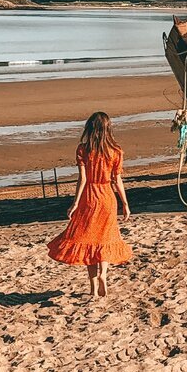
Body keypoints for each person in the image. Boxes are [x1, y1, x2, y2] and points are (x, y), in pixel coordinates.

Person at [47, 110, 132, 297]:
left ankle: (93, 288)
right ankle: (104, 275)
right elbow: (117, 181)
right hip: (108, 198)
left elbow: (82, 179)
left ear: (90, 129)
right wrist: (125, 204)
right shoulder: (116, 151)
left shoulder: (83, 149)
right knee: (105, 240)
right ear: (108, 129)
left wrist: (75, 202)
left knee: (88, 242)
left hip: (90, 198)